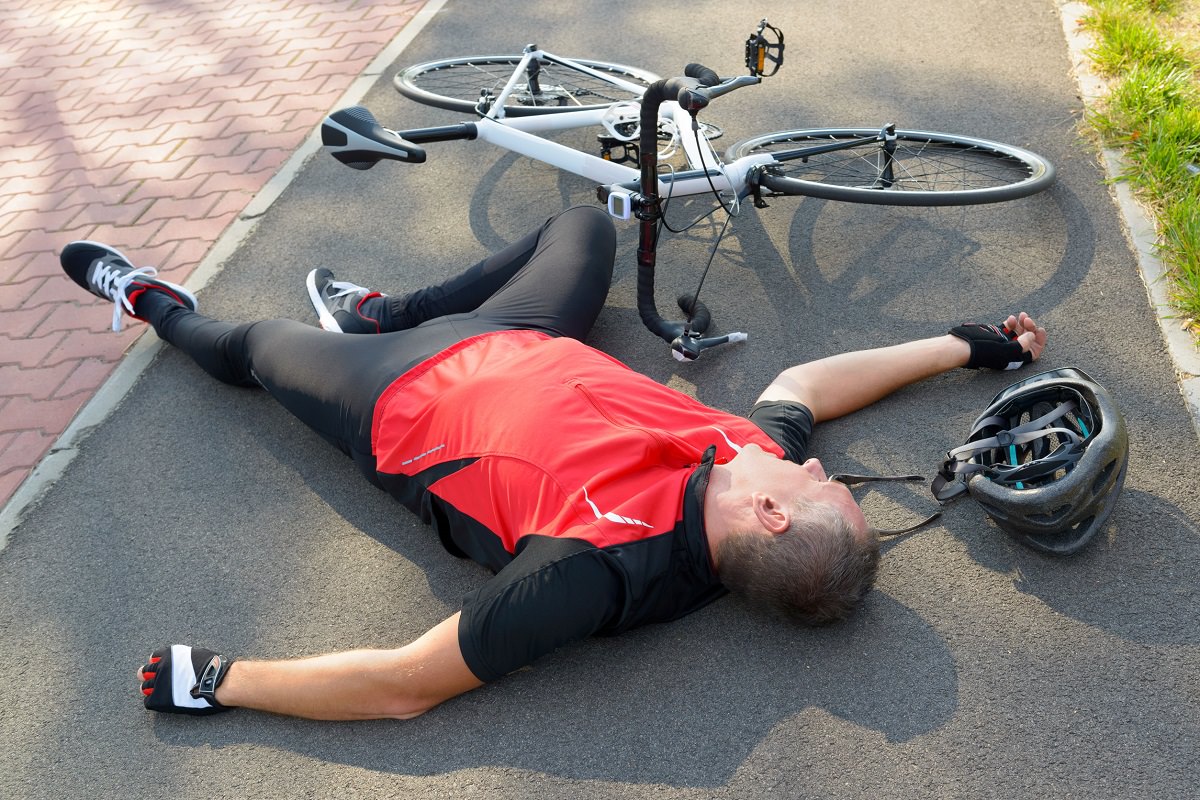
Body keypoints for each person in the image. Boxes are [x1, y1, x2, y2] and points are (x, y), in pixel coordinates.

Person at [59, 205, 1047, 721]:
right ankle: (382, 301)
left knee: (248, 348)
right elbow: (808, 384)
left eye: (818, 486)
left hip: (395, 393)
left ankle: (153, 301)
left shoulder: (591, 571)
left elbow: (406, 682)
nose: (823, 468)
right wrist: (964, 344)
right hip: (524, 336)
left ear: (774, 520)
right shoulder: (751, 459)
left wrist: (225, 679)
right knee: (583, 227)